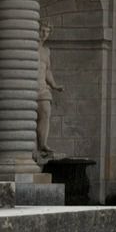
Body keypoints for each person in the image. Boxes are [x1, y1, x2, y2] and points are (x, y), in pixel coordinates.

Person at [36, 21, 64, 159]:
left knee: (46, 112)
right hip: (28, 87)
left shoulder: (46, 51)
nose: (44, 34)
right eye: (42, 30)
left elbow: (47, 71)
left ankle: (43, 144)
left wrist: (54, 85)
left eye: (47, 32)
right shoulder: (29, 47)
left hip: (42, 87)